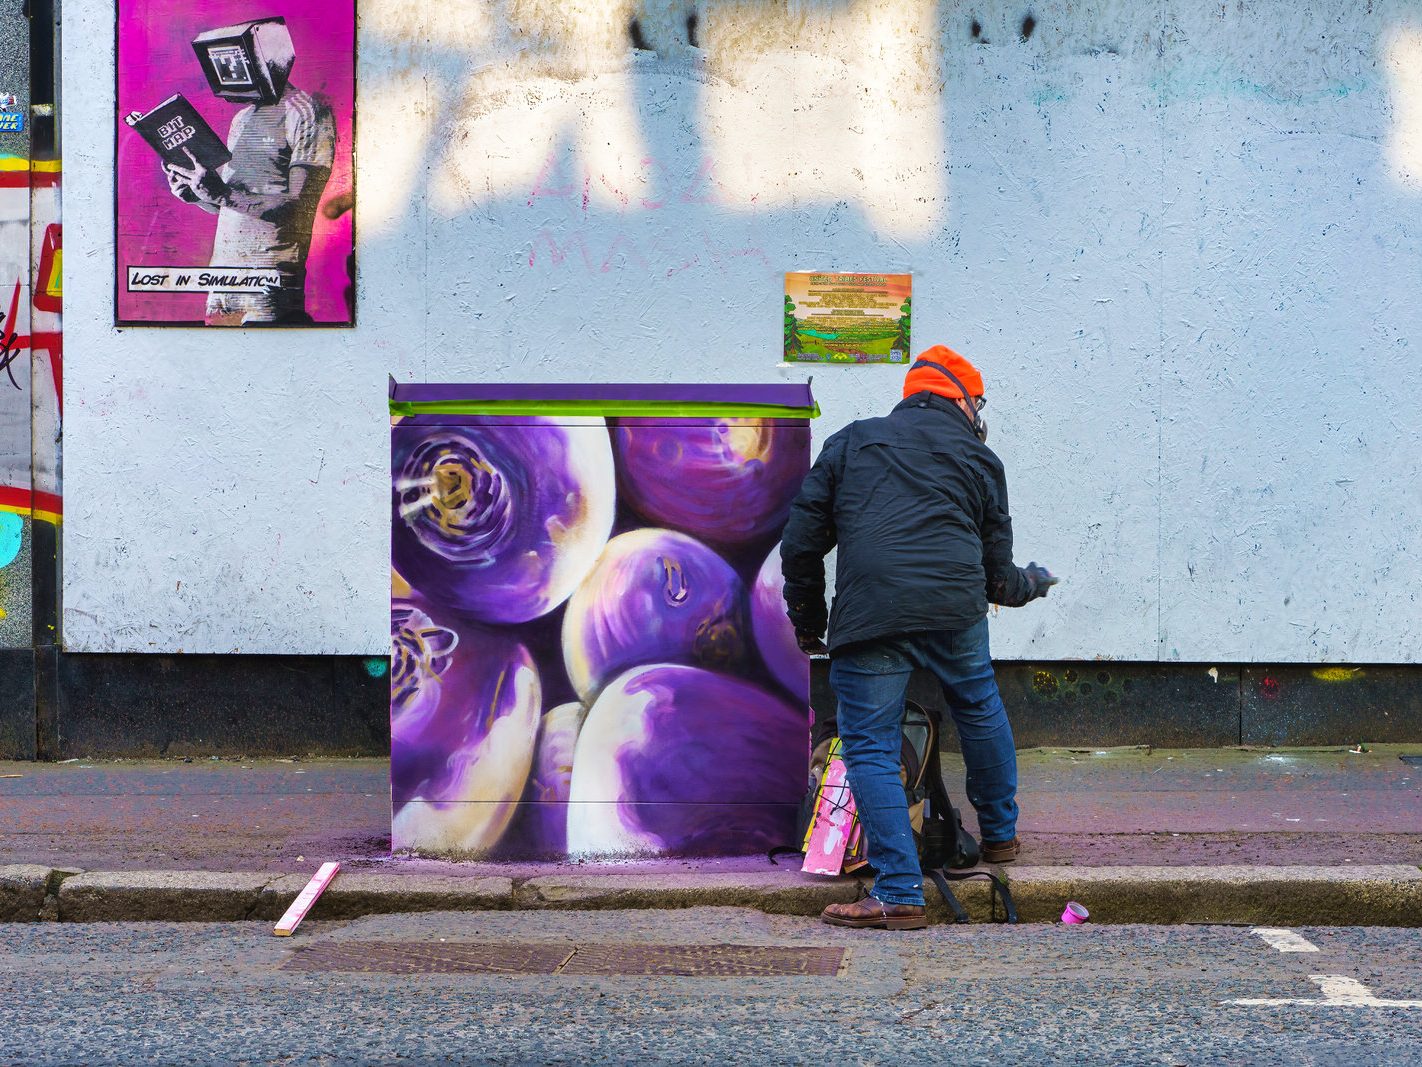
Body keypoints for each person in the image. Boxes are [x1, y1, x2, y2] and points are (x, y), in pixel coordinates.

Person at [780, 344, 1058, 930]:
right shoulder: (979, 460)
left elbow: (801, 543)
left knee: (871, 747)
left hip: (871, 614)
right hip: (954, 611)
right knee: (978, 705)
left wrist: (808, 623)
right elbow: (998, 578)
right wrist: (1033, 583)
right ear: (963, 400)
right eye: (980, 403)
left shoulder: (853, 442)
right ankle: (1001, 837)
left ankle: (899, 891)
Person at [164, 20, 335, 325]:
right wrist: (196, 194)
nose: (229, 71)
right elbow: (232, 205)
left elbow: (297, 207)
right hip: (223, 280)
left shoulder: (306, 112)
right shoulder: (241, 120)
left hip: (269, 279)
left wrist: (222, 194)